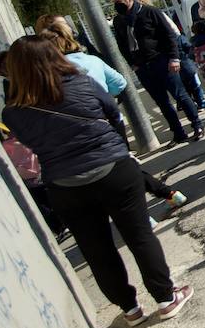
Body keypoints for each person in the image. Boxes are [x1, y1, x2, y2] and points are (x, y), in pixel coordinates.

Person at [0, 36, 193, 326]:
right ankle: (166, 298)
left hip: (64, 185)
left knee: (97, 251)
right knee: (139, 236)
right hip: (113, 168)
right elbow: (112, 114)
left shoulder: (12, 112)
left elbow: (30, 142)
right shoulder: (82, 83)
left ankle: (130, 309)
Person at [38, 16, 190, 212]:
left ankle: (153, 205)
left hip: (78, 134)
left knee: (110, 172)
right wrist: (105, 95)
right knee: (120, 166)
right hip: (109, 121)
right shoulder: (90, 60)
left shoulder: (48, 75)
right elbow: (119, 83)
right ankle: (167, 194)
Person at [108, 0, 204, 144]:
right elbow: (122, 44)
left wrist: (174, 58)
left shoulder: (150, 12)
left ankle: (197, 124)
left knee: (180, 95)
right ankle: (178, 133)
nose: (116, 6)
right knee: (162, 102)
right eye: (113, 3)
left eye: (118, 2)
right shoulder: (120, 21)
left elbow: (169, 35)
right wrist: (133, 64)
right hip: (143, 67)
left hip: (162, 61)